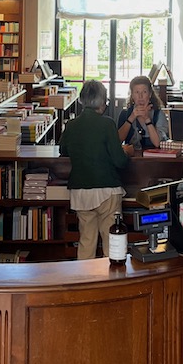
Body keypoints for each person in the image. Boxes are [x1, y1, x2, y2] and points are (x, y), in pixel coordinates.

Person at [59, 80, 131, 259]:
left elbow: (63, 150)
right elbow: (120, 161)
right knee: (111, 241)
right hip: (107, 190)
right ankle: (112, 281)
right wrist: (126, 152)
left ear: (82, 100)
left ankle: (85, 280)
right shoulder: (107, 124)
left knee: (86, 240)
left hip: (80, 192)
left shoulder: (72, 125)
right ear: (102, 102)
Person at [116, 75, 170, 151]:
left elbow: (157, 143)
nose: (140, 96)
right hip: (131, 159)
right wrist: (131, 118)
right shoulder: (125, 113)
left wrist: (147, 119)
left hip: (154, 160)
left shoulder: (158, 114)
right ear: (132, 95)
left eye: (144, 92)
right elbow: (118, 141)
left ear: (150, 94)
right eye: (137, 92)